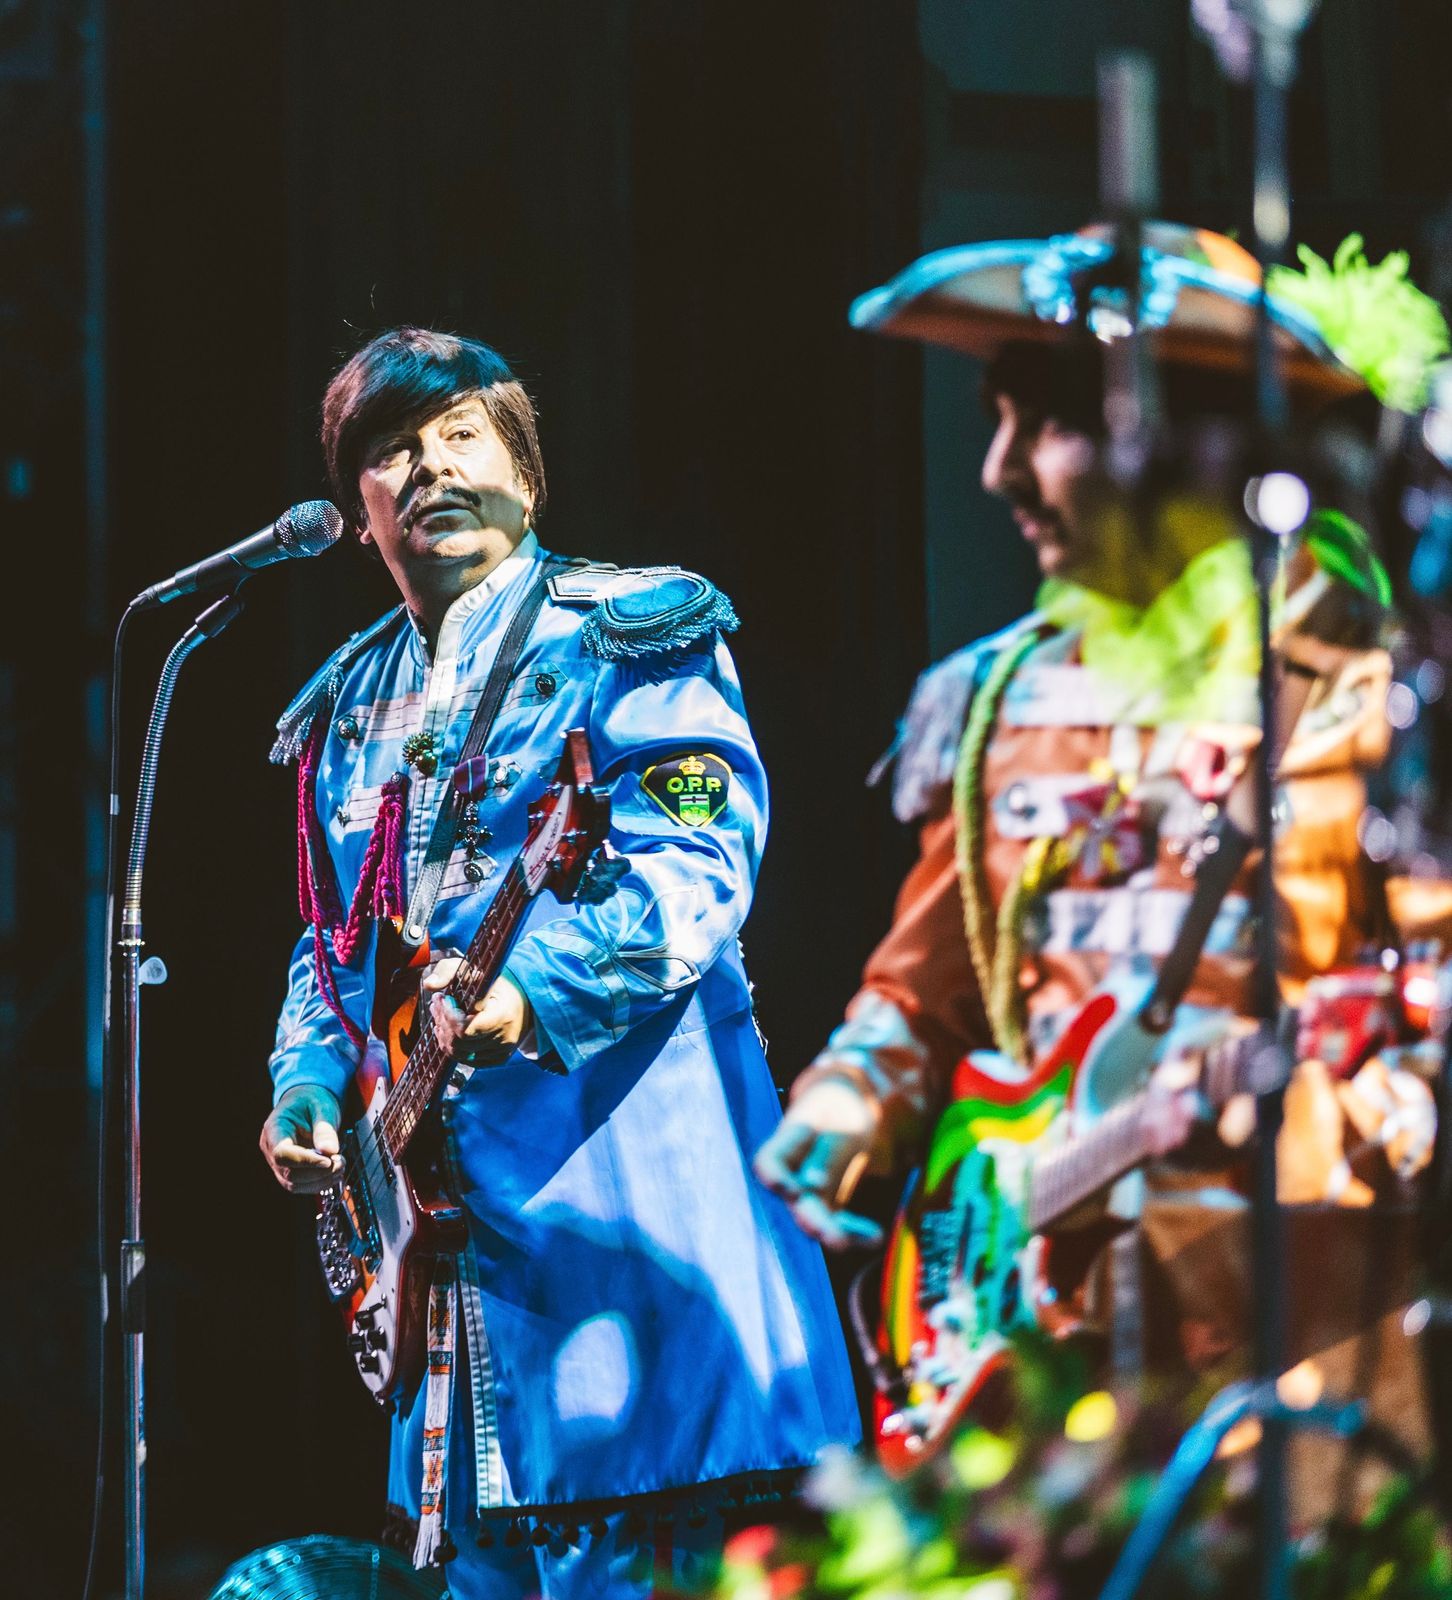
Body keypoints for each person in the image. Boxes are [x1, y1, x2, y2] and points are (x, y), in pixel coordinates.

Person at [755, 226, 1438, 1502]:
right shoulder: (1001, 694)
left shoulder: (1382, 697)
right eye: (998, 419)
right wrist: (851, 1096)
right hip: (1036, 1364)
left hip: (1304, 1369)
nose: (998, 471)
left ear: (1200, 440)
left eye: (1051, 422)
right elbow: (925, 991)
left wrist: (1331, 1127)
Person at [259, 327, 859, 1596]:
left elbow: (697, 865)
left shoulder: (630, 630)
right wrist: (307, 1082)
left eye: (460, 434)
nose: (430, 466)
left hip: (627, 1197)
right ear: (359, 509)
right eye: (393, 449)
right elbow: (330, 941)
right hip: (439, 1251)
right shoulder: (346, 701)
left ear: (526, 477)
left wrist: (534, 990)